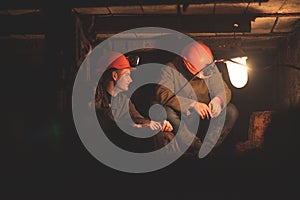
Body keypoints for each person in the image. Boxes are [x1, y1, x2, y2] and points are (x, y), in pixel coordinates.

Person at [155, 41, 239, 155]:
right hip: (183, 117)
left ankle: (210, 147)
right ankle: (195, 146)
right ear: (186, 63)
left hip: (205, 117)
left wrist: (218, 101)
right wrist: (192, 105)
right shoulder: (169, 70)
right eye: (200, 70)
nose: (205, 73)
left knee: (231, 111)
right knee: (167, 111)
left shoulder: (209, 67)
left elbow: (223, 89)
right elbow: (163, 94)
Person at [95, 51, 181, 153]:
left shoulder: (122, 99)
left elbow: (137, 118)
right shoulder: (96, 97)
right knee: (156, 137)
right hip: (109, 147)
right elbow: (106, 125)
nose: (130, 80)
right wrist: (136, 127)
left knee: (166, 136)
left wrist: (158, 124)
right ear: (114, 76)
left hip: (125, 141)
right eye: (127, 75)